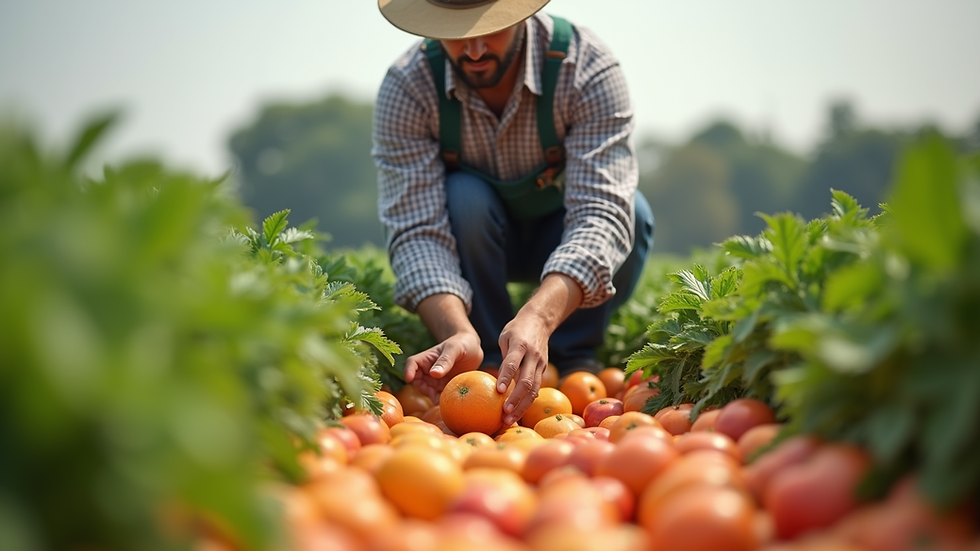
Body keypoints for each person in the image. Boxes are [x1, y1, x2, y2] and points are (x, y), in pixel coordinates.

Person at [373, 0, 655, 427]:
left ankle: (572, 356)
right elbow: (417, 232)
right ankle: (486, 357)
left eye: (489, 28)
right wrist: (454, 329)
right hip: (478, 242)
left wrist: (540, 315)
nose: (474, 50)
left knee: (632, 209)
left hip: (559, 235)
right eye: (456, 32)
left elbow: (602, 211)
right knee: (464, 196)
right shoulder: (409, 87)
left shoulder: (585, 67)